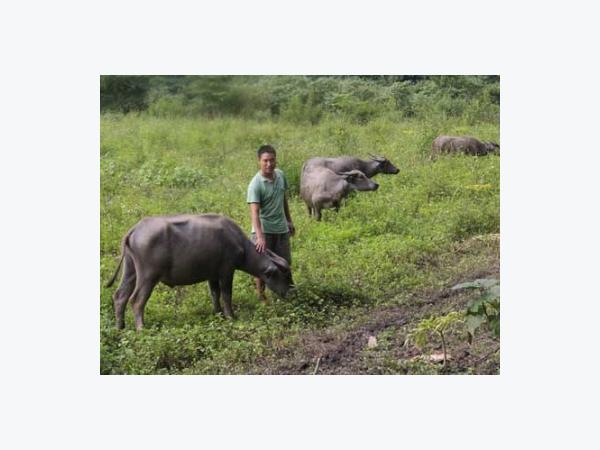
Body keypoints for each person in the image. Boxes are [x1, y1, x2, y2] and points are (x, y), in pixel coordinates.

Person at [247, 144, 295, 301]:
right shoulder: (255, 184)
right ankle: (261, 296)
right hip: (263, 231)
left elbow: (283, 199)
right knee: (262, 267)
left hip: (281, 229)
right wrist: (260, 238)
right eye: (265, 161)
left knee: (285, 263)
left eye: (272, 160)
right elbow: (254, 213)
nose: (269, 164)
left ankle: (286, 293)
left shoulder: (280, 175)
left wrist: (289, 220)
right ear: (259, 161)